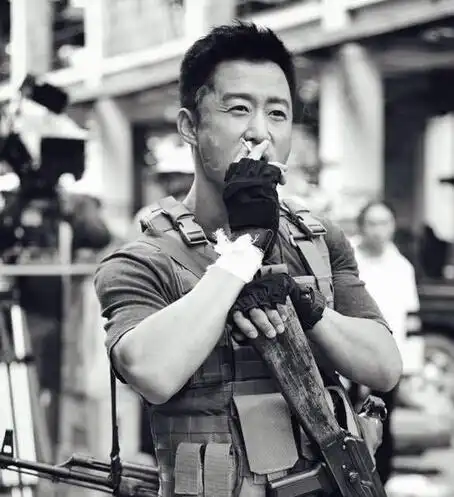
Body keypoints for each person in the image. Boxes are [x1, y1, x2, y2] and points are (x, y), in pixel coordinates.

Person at [94, 22, 402, 497]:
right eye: (238, 109)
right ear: (190, 127)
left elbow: (383, 367)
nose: (260, 133)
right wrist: (245, 250)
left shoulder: (316, 240)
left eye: (278, 113)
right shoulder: (143, 260)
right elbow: (152, 373)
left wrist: (308, 309)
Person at [350, 200, 422, 484]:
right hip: (348, 350)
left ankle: (381, 479)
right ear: (361, 226)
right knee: (345, 415)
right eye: (372, 223)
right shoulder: (349, 258)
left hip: (388, 355)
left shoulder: (402, 268)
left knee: (382, 418)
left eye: (384, 223)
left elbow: (411, 318)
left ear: (392, 226)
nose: (378, 230)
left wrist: (410, 363)